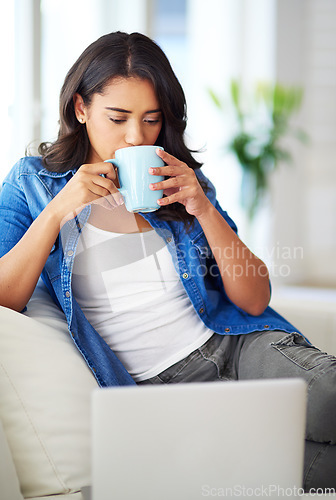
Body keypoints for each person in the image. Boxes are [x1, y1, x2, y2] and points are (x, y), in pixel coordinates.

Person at [0, 31, 335, 491]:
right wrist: (60, 209)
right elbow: (6, 297)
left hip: (236, 347)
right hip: (160, 391)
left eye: (151, 120)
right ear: (81, 108)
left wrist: (203, 208)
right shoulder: (34, 183)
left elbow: (255, 299)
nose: (136, 136)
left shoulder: (183, 181)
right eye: (117, 118)